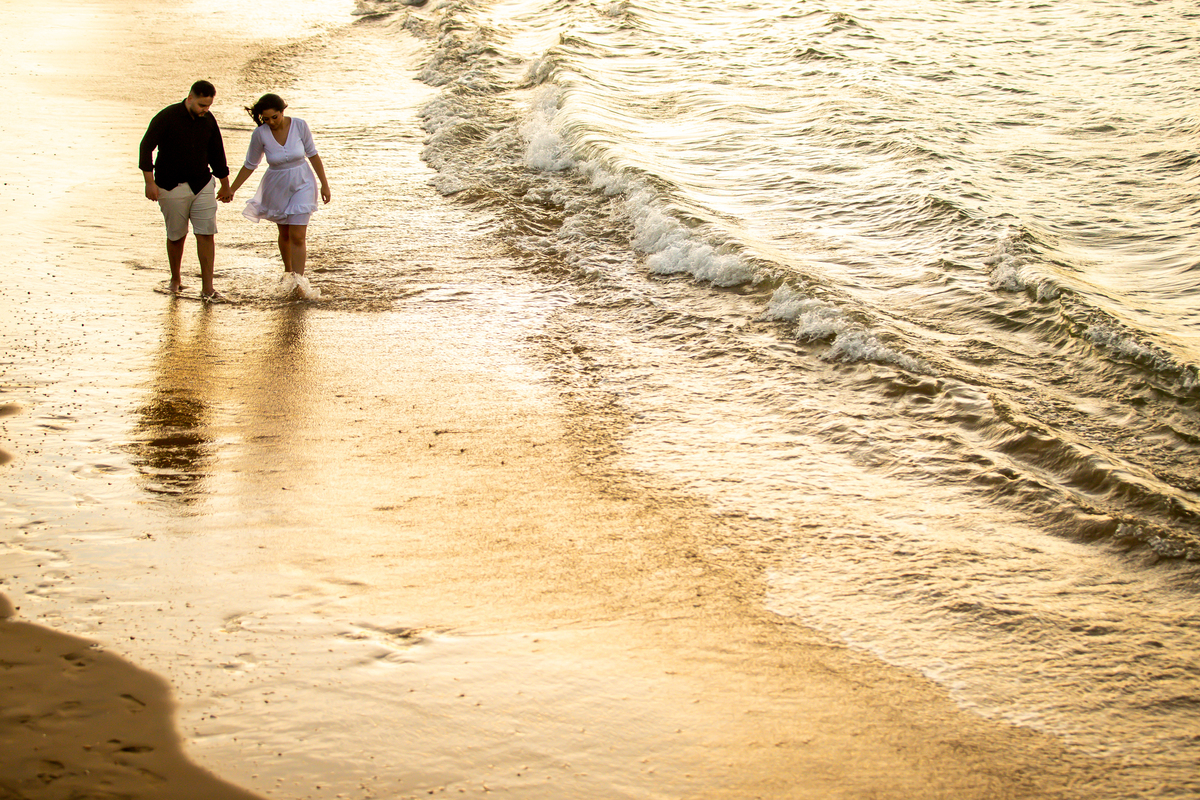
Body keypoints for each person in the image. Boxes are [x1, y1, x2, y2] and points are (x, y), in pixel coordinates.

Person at [139, 80, 234, 299]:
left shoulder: (208, 120)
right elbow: (146, 147)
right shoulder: (166, 117)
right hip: (170, 186)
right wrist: (149, 182)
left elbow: (217, 152)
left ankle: (208, 288)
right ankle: (175, 279)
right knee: (176, 236)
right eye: (202, 105)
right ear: (190, 98)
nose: (205, 110)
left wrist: (225, 184)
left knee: (206, 234)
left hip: (202, 184)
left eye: (208, 106)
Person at [227, 94, 331, 284]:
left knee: (297, 235)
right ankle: (288, 272)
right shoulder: (260, 134)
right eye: (266, 119)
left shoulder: (300, 125)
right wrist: (232, 188)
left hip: (303, 182)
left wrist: (325, 184)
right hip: (276, 185)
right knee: (284, 233)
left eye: (275, 117)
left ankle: (299, 282)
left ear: (282, 111)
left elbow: (313, 154)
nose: (271, 122)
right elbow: (250, 164)